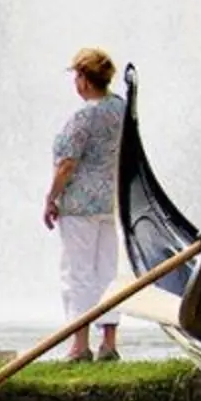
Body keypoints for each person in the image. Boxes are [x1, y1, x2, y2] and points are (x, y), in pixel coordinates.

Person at [44, 48, 128, 363]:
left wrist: (51, 198)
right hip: (110, 202)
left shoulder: (85, 115)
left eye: (77, 76)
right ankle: (109, 342)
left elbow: (66, 164)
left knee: (77, 272)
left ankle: (80, 345)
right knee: (107, 271)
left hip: (79, 204)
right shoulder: (120, 108)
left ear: (84, 79)